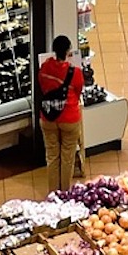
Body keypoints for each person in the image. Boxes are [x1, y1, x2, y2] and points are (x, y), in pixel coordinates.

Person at [38, 35, 85, 196]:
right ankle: (65, 194)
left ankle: (53, 194)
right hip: (69, 117)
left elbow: (42, 87)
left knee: (52, 156)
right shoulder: (75, 72)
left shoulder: (44, 68)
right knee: (67, 157)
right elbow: (78, 91)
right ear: (68, 51)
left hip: (48, 117)